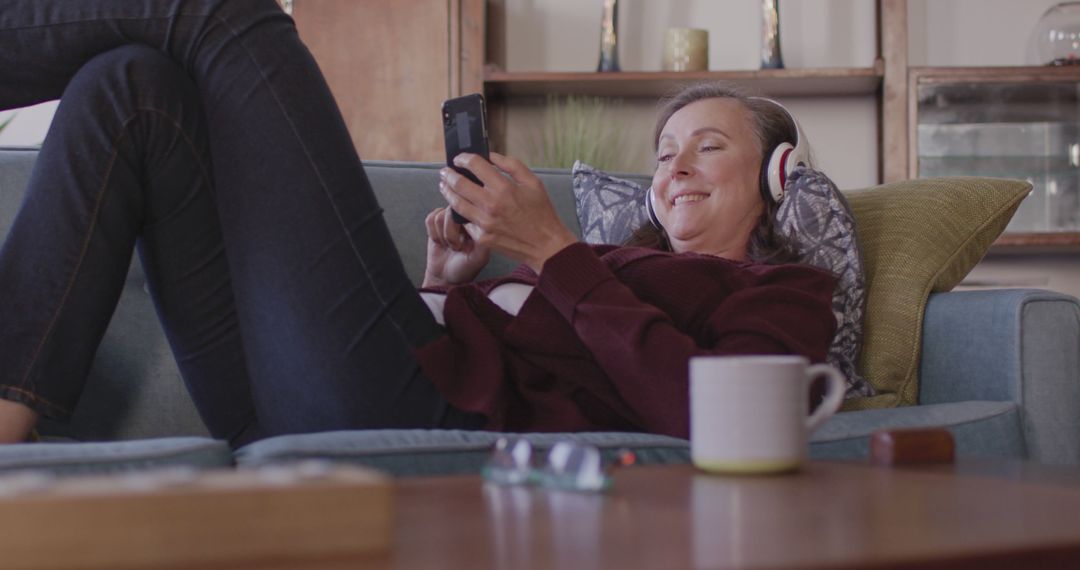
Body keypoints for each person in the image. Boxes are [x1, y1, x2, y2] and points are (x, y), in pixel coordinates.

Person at [0, 0, 837, 446]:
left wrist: (552, 252)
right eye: (662, 154)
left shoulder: (788, 293)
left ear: (773, 176)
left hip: (414, 414)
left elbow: (714, 415)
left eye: (707, 147)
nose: (675, 167)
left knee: (225, 15)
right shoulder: (611, 262)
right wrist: (445, 287)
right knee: (133, 86)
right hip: (297, 397)